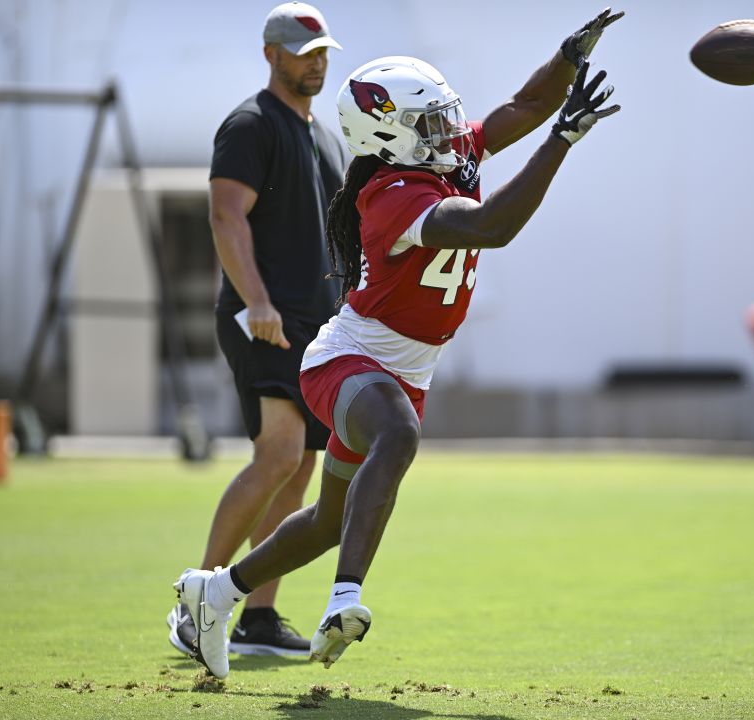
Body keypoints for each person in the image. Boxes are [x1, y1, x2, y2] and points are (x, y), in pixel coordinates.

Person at [173, 8, 625, 679]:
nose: (448, 131)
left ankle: (216, 592)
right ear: (389, 131)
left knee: (329, 519)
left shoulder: (436, 157)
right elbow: (494, 225)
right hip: (351, 359)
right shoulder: (391, 192)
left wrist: (566, 56)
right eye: (430, 121)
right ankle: (344, 601)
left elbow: (525, 103)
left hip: (407, 365)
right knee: (399, 434)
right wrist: (560, 140)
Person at [166, 2, 349, 660]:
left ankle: (258, 616)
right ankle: (199, 596)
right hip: (261, 318)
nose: (317, 62)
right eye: (304, 51)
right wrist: (259, 302)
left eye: (323, 51)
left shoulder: (324, 136)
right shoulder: (250, 124)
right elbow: (225, 217)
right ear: (272, 54)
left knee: (299, 470)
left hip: (315, 326)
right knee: (278, 453)